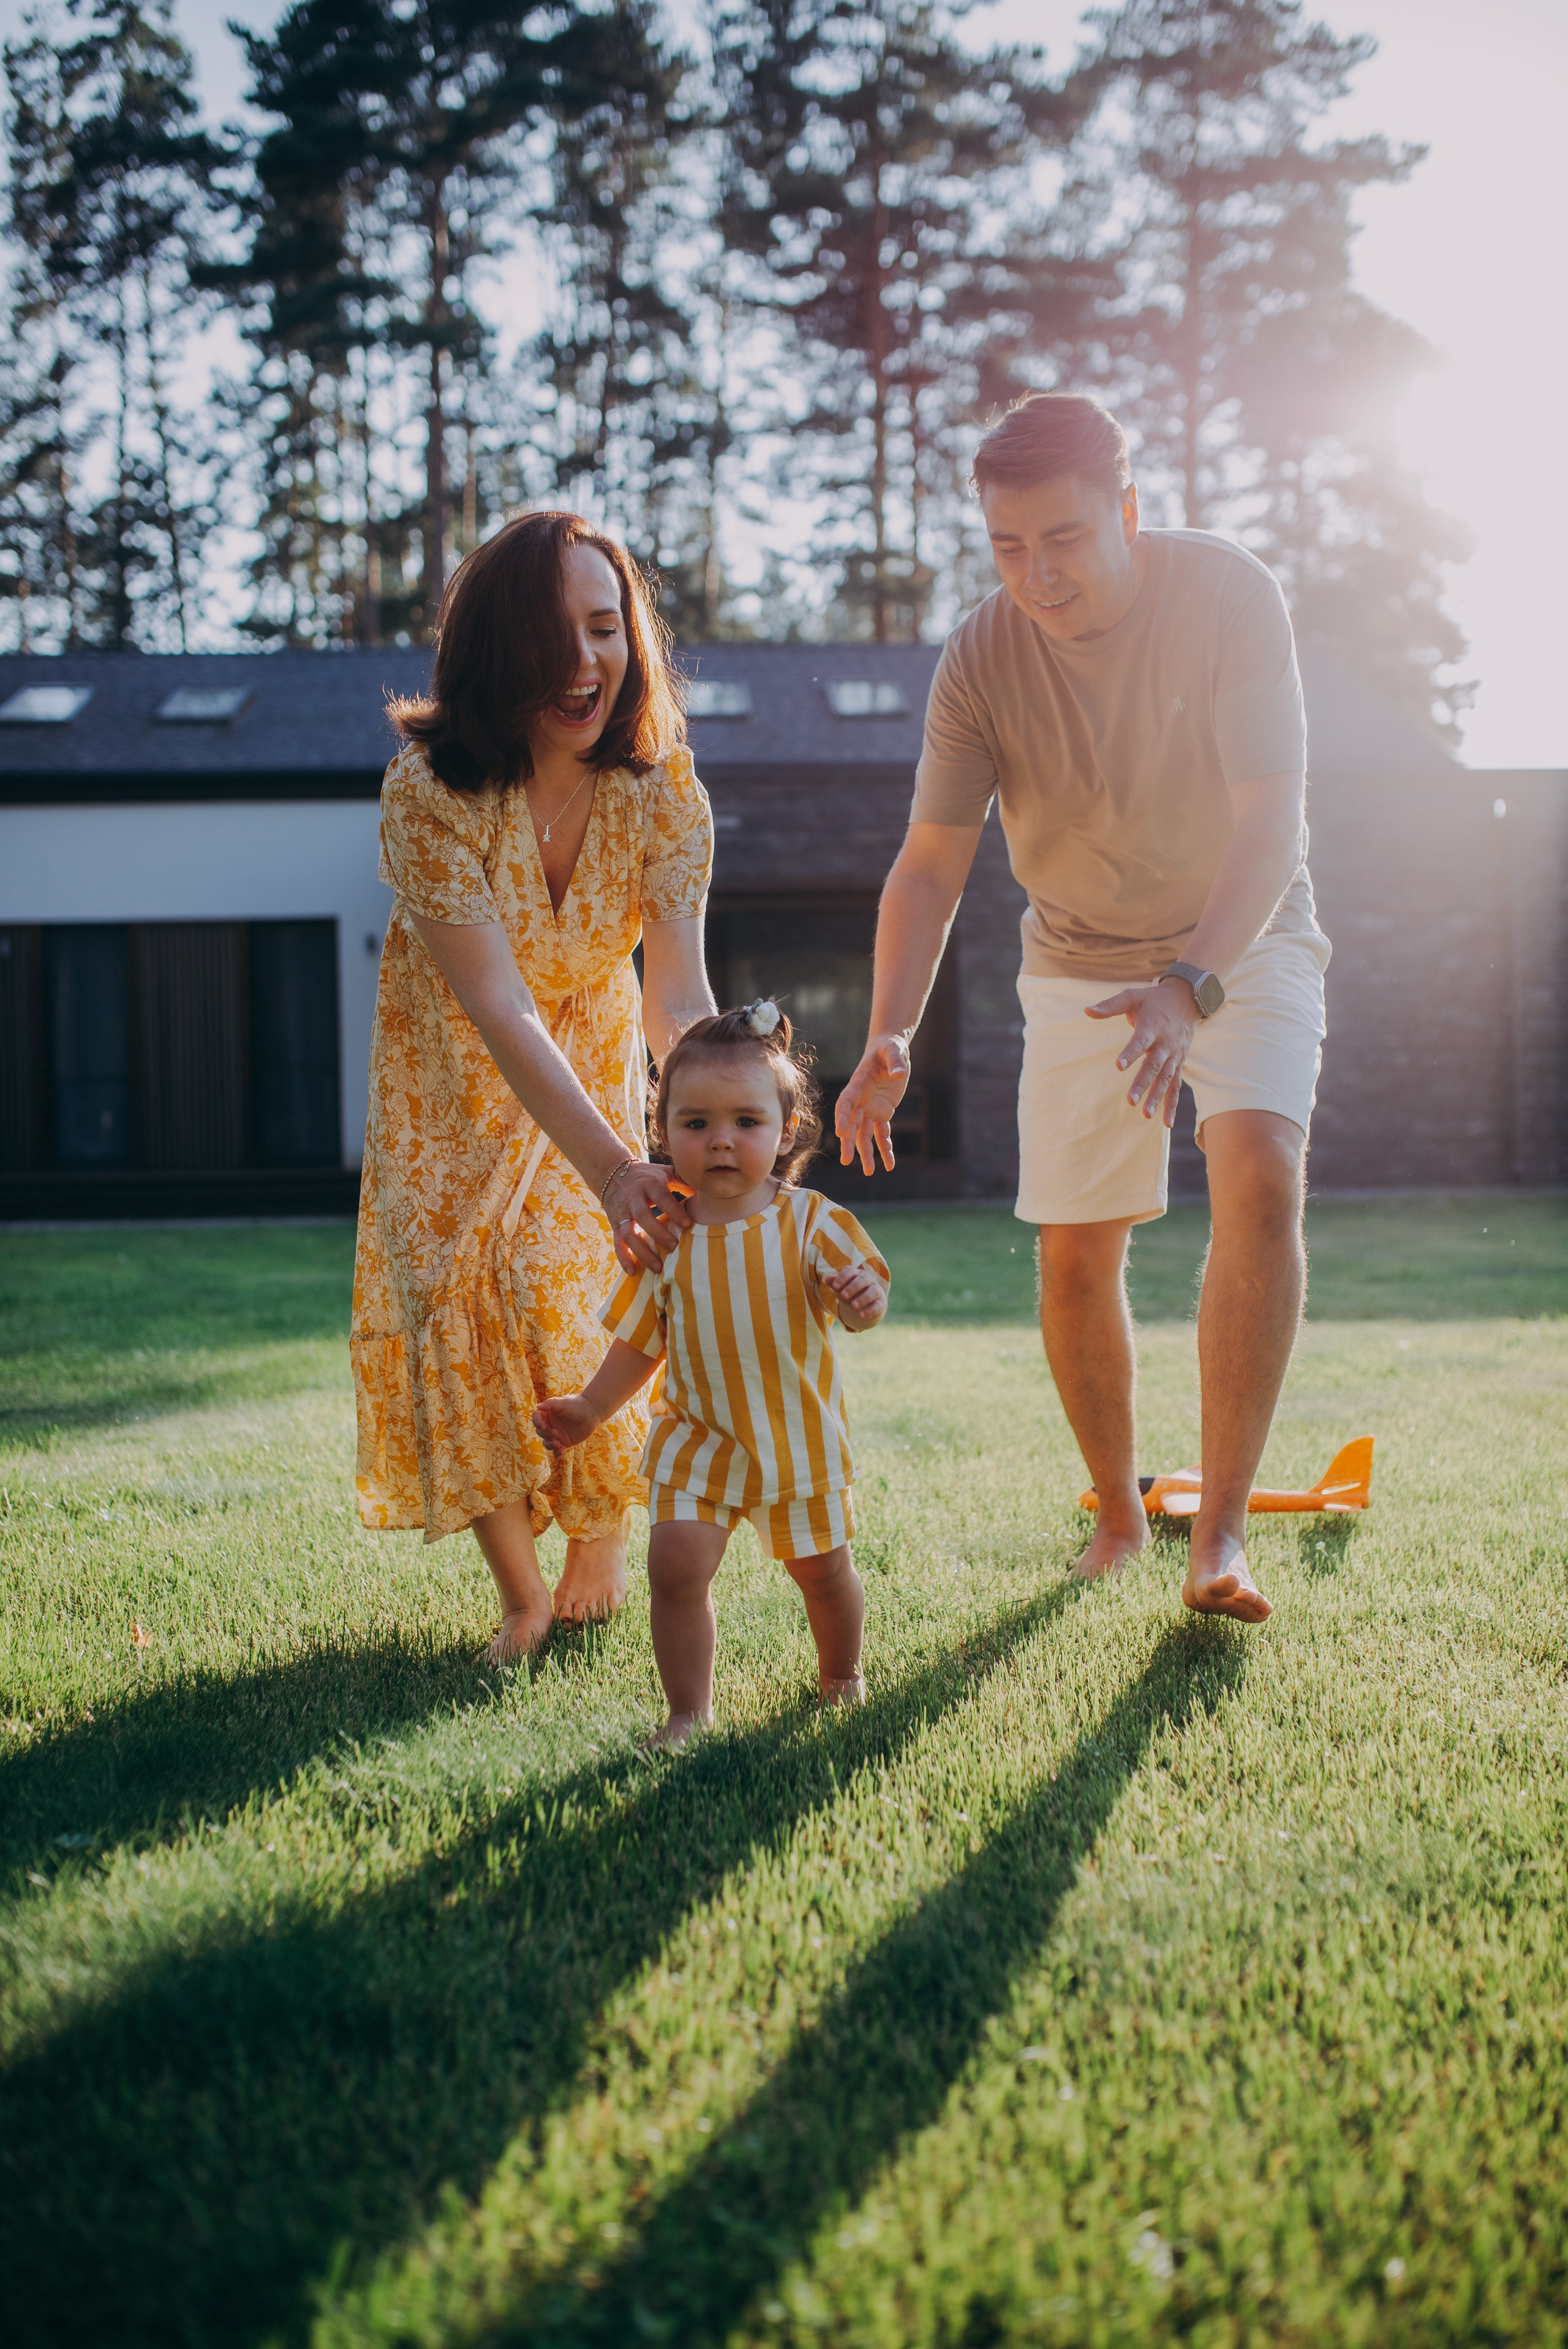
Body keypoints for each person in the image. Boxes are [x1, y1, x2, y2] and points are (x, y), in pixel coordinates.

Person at [835, 392, 1331, 1626]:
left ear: (1124, 510)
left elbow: (1270, 821)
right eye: (1006, 548)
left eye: (1059, 540)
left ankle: (1215, 1535)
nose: (1034, 576)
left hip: (1242, 928)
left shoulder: (1225, 592)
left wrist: (1186, 987)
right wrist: (887, 1031)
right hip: (1075, 958)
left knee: (1257, 1167)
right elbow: (930, 863)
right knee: (1074, 1245)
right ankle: (1117, 1513)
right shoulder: (982, 656)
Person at [352, 511, 715, 1661]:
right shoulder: (429, 792)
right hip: (448, 1066)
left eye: (606, 629)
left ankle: (597, 1537)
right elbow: (498, 1006)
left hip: (592, 1052)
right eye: (553, 636)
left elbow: (678, 998)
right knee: (455, 1294)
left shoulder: (664, 795)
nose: (585, 663)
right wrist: (614, 1168)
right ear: (493, 653)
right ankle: (517, 1587)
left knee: (574, 1281)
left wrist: (713, 1132)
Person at [534, 1003, 889, 1746]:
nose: (720, 1139)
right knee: (675, 1569)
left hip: (796, 1441)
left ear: (784, 1130)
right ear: (663, 1135)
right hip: (696, 1441)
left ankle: (842, 1674)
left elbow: (858, 1306)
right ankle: (688, 1711)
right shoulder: (668, 1232)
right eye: (695, 1124)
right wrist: (593, 1408)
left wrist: (863, 1298)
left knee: (822, 1572)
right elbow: (641, 1342)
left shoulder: (811, 1221)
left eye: (745, 1123)